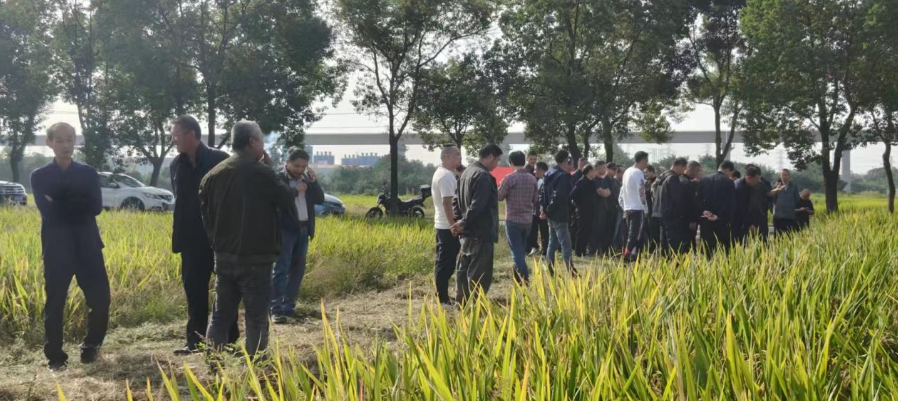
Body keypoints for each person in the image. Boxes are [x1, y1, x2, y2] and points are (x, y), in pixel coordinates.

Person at [199, 121, 300, 358]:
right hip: (257, 257)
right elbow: (286, 199)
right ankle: (256, 366)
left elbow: (206, 217)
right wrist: (270, 170)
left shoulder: (213, 174)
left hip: (224, 256)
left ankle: (213, 362)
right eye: (261, 140)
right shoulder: (262, 172)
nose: (263, 145)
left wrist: (217, 245)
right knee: (256, 317)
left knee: (220, 315)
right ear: (252, 142)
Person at [31, 122, 110, 372]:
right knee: (55, 303)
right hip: (57, 248)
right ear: (49, 143)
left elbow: (95, 207)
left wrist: (59, 201)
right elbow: (48, 212)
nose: (66, 145)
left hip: (88, 246)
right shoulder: (39, 176)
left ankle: (91, 347)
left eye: (70, 139)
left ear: (75, 141)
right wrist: (78, 200)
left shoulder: (88, 173)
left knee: (101, 299)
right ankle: (55, 357)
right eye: (60, 140)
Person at [169, 115, 239, 355]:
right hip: (190, 239)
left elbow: (232, 199)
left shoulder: (220, 160)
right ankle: (195, 341)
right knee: (194, 290)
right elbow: (180, 202)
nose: (174, 140)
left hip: (219, 238)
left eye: (176, 135)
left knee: (226, 291)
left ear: (191, 134)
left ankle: (228, 340)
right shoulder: (176, 165)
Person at [271, 148, 325, 323]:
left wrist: (314, 183)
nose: (300, 170)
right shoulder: (278, 179)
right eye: (296, 166)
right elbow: (277, 199)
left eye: (303, 166)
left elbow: (320, 199)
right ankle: (275, 309)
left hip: (303, 229)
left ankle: (288, 307)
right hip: (285, 230)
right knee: (281, 269)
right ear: (287, 163)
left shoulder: (307, 180)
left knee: (297, 270)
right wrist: (295, 190)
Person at [452, 145, 502, 304]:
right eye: (497, 160)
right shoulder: (484, 176)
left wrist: (459, 222)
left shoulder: (465, 173)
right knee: (479, 273)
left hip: (466, 233)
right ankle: (475, 307)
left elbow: (455, 201)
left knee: (463, 269)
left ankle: (462, 303)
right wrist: (463, 222)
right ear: (490, 156)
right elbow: (478, 205)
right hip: (480, 232)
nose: (497, 164)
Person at [498, 151, 538, 284]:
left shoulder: (509, 178)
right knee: (521, 249)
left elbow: (499, 196)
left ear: (511, 162)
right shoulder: (532, 179)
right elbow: (535, 199)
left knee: (516, 252)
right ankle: (517, 278)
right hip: (527, 220)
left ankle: (524, 279)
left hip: (513, 220)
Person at [431, 145, 463, 305]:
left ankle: (442, 296)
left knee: (444, 262)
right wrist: (453, 225)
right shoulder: (446, 176)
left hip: (443, 224)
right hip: (446, 225)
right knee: (446, 264)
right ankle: (442, 300)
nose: (460, 158)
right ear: (446, 157)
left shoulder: (444, 173)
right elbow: (447, 202)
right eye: (456, 155)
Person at [541, 150, 577, 275]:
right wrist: (549, 210)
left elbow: (543, 193)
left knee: (552, 242)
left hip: (550, 214)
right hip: (559, 214)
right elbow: (558, 197)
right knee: (566, 244)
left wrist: (545, 210)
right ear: (566, 161)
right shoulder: (562, 176)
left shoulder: (549, 172)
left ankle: (550, 268)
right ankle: (571, 271)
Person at [697, 161, 736, 256]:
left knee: (707, 249)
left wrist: (704, 212)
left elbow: (698, 199)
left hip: (705, 219)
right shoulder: (729, 182)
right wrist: (719, 216)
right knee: (724, 251)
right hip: (721, 221)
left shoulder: (704, 179)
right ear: (727, 170)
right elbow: (729, 203)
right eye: (730, 173)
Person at [619, 151, 650, 262]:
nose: (646, 164)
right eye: (646, 161)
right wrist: (646, 209)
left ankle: (633, 257)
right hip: (638, 209)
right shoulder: (638, 173)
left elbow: (622, 192)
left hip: (628, 208)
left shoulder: (627, 172)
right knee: (636, 236)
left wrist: (624, 206)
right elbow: (641, 192)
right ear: (642, 160)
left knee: (630, 235)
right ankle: (627, 257)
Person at [653, 158, 687, 254]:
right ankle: (673, 260)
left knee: (663, 240)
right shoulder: (673, 178)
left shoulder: (662, 176)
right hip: (670, 214)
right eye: (684, 168)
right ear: (678, 166)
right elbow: (676, 198)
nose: (684, 172)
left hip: (659, 212)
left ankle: (663, 259)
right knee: (672, 241)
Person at [570, 164, 598, 257]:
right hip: (582, 210)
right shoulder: (581, 182)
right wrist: (578, 204)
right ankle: (578, 252)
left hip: (591, 210)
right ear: (589, 172)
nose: (594, 173)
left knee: (587, 231)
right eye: (593, 171)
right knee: (581, 231)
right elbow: (573, 195)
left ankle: (583, 251)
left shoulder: (592, 182)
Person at [733, 165, 764, 242]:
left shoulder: (748, 185)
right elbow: (741, 209)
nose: (758, 182)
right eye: (756, 179)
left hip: (746, 220)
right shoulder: (740, 188)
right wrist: (749, 224)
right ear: (749, 178)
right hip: (738, 222)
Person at [587, 161, 612, 255]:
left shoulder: (603, 180)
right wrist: (605, 192)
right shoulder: (595, 180)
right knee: (595, 230)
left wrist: (605, 192)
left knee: (601, 230)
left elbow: (608, 192)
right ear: (598, 168)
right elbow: (602, 193)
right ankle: (592, 250)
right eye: (604, 167)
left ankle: (598, 250)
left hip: (603, 209)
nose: (605, 169)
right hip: (595, 209)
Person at [527, 162, 550, 256]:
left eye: (536, 169)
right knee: (532, 231)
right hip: (534, 210)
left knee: (544, 232)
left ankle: (545, 251)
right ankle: (535, 247)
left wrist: (544, 210)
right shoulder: (537, 180)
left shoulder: (547, 181)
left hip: (543, 211)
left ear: (541, 170)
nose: (534, 171)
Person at [682, 161, 704, 252]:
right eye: (697, 171)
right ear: (691, 169)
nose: (698, 174)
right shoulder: (688, 183)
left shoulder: (681, 180)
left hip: (681, 218)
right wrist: (693, 219)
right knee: (688, 243)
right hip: (687, 220)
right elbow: (690, 203)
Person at [771, 169, 801, 235]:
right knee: (778, 236)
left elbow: (797, 199)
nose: (784, 177)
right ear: (780, 176)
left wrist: (791, 206)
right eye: (783, 175)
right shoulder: (776, 186)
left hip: (790, 216)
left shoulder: (793, 187)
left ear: (789, 176)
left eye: (786, 175)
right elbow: (773, 200)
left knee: (789, 236)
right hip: (778, 216)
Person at [605, 163, 624, 252]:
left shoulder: (615, 181)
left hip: (616, 208)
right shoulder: (607, 180)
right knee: (613, 229)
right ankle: (610, 247)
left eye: (615, 169)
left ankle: (614, 247)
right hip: (609, 207)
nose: (615, 171)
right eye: (613, 169)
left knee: (616, 229)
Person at [643, 165, 661, 252]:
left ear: (651, 171)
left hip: (653, 211)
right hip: (647, 211)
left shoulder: (656, 182)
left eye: (646, 172)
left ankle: (652, 251)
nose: (645, 174)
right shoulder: (646, 182)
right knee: (648, 232)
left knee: (654, 233)